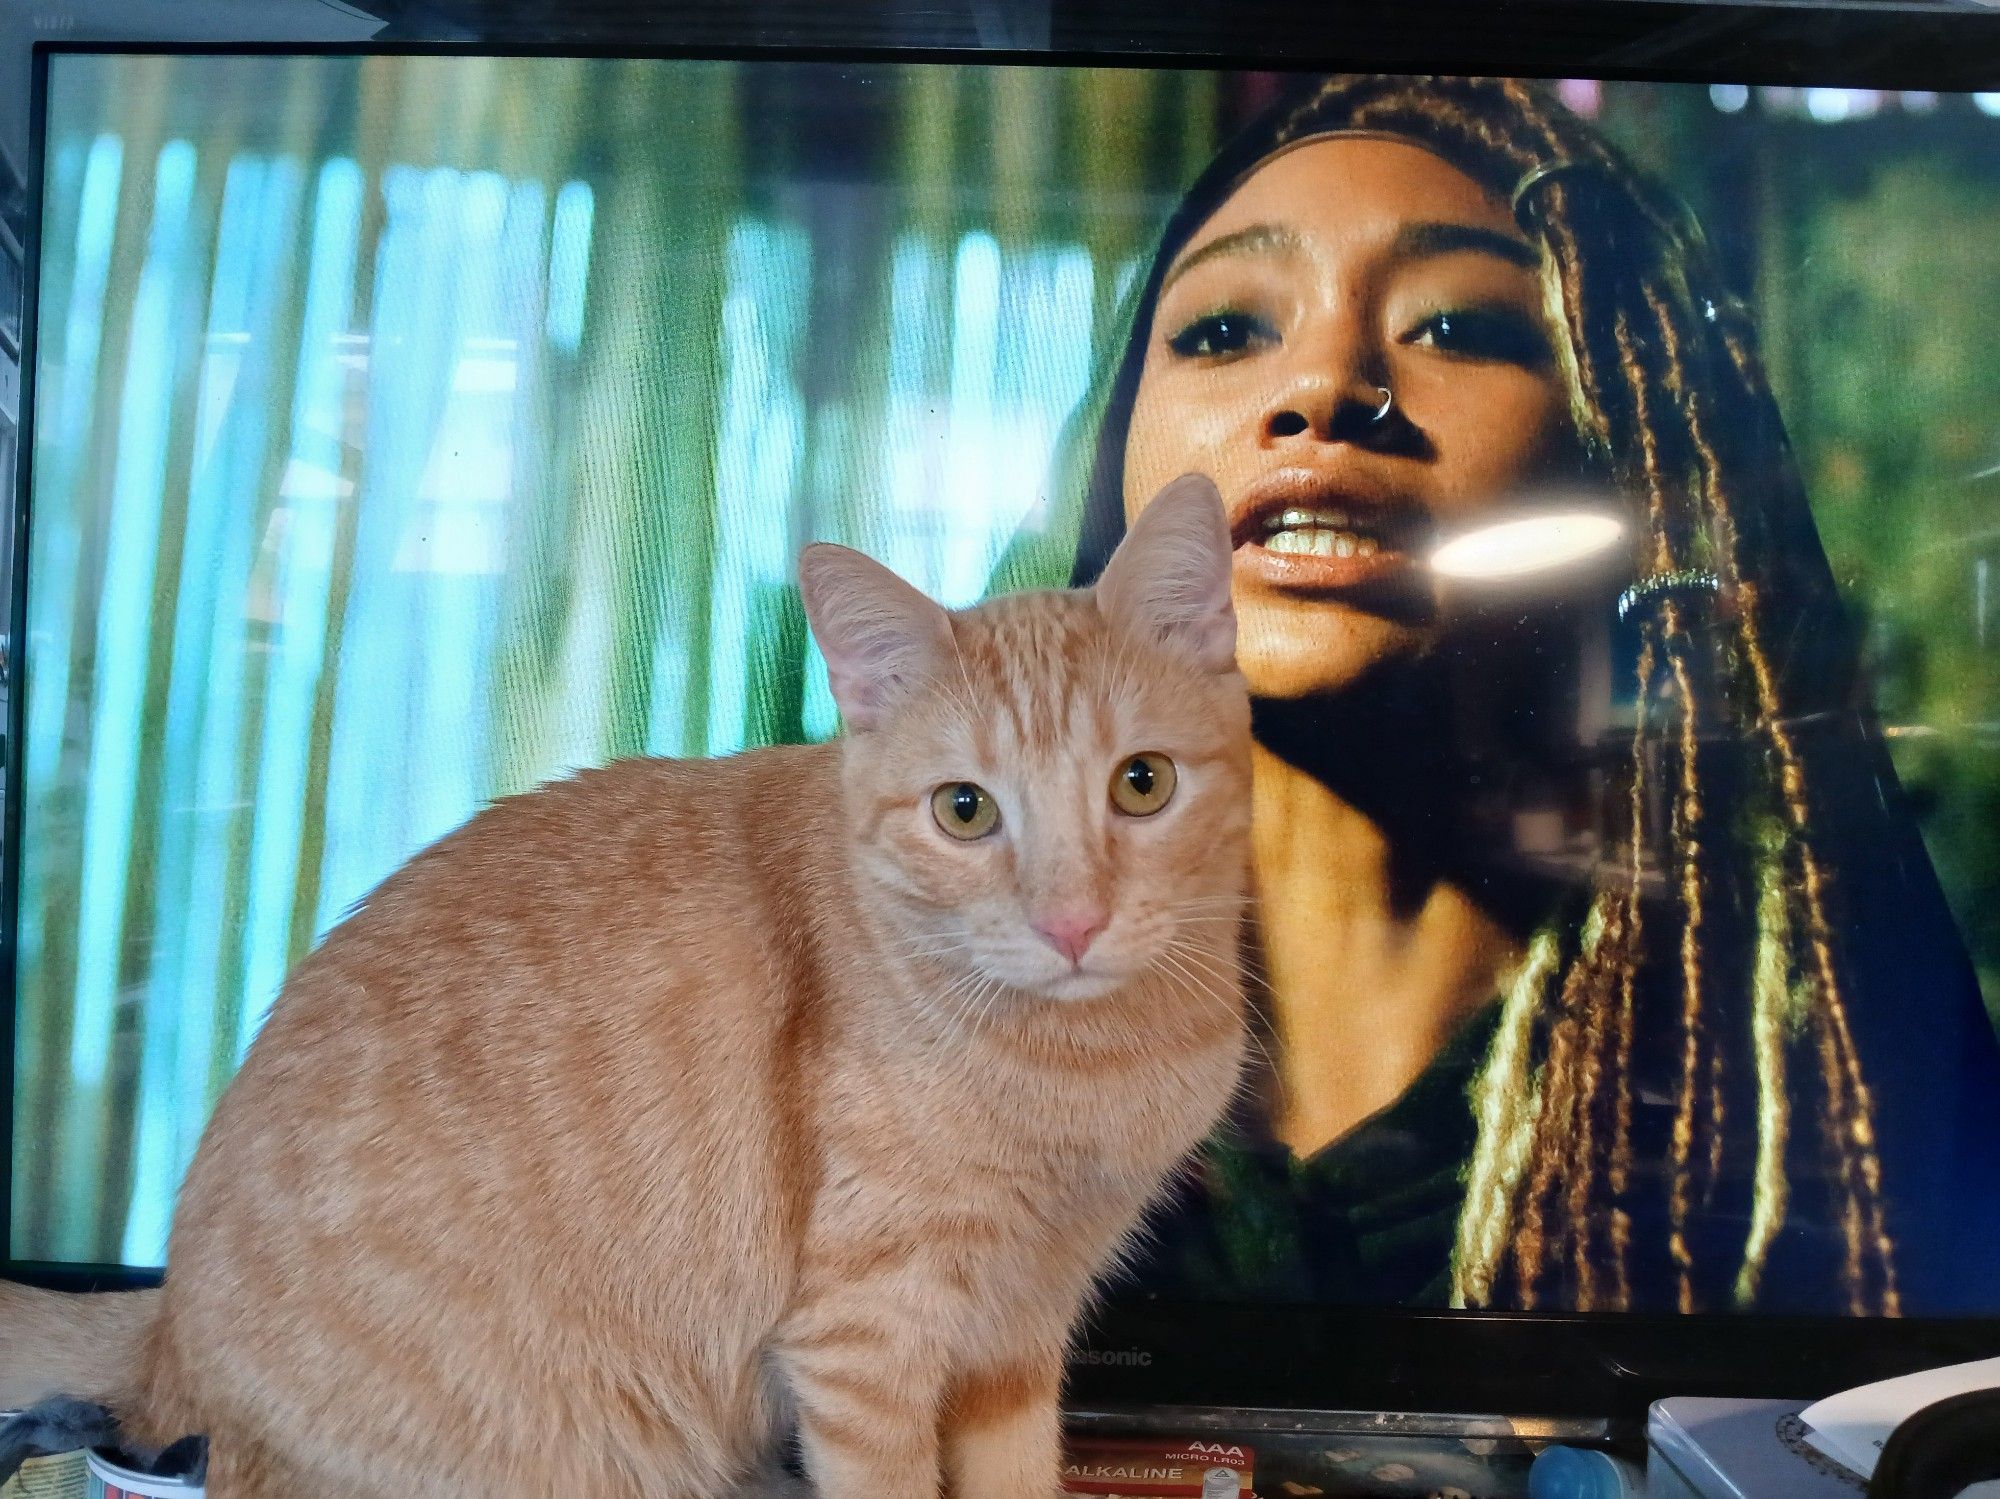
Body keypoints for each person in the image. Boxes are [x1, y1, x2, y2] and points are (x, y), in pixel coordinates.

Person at [1041, 74, 2000, 1314]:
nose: (1323, 386)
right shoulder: (914, 1065)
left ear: (1626, 463)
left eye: (1456, 327)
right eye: (1224, 329)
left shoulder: (1791, 1143)